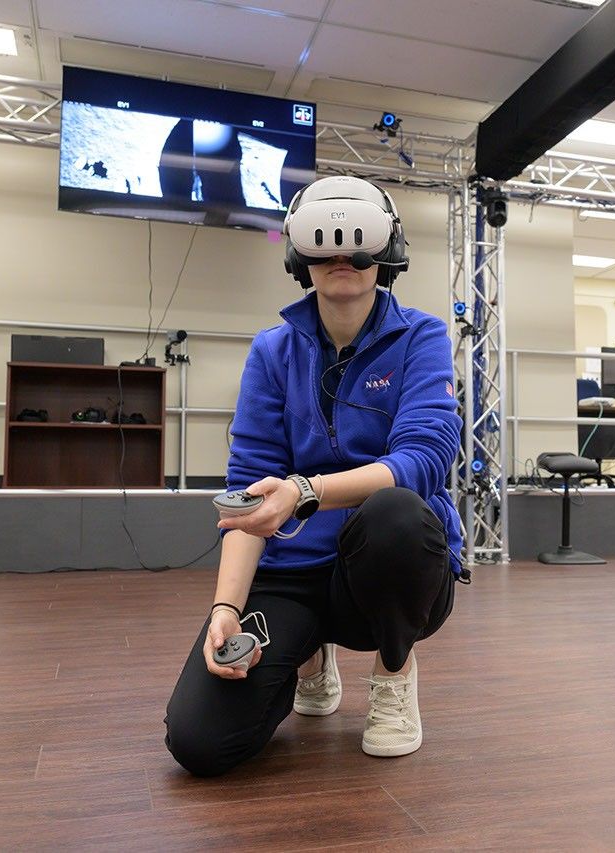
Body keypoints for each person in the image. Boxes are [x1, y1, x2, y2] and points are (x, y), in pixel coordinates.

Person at [164, 175, 467, 776]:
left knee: (399, 512)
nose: (341, 260)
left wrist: (306, 491)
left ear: (385, 252)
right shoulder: (272, 351)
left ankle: (393, 672)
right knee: (200, 743)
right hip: (291, 574)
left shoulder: (423, 337)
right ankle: (308, 659)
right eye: (323, 248)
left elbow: (426, 459)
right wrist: (227, 605)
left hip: (381, 566)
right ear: (301, 258)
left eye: (354, 246)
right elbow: (249, 486)